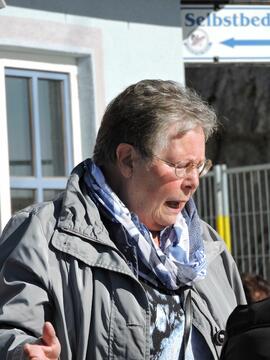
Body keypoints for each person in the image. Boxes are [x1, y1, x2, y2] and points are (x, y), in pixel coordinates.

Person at [0, 79, 246, 360]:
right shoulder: (41, 235)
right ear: (127, 159)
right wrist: (21, 353)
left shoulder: (207, 246)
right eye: (180, 166)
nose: (193, 182)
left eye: (198, 166)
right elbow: (8, 330)